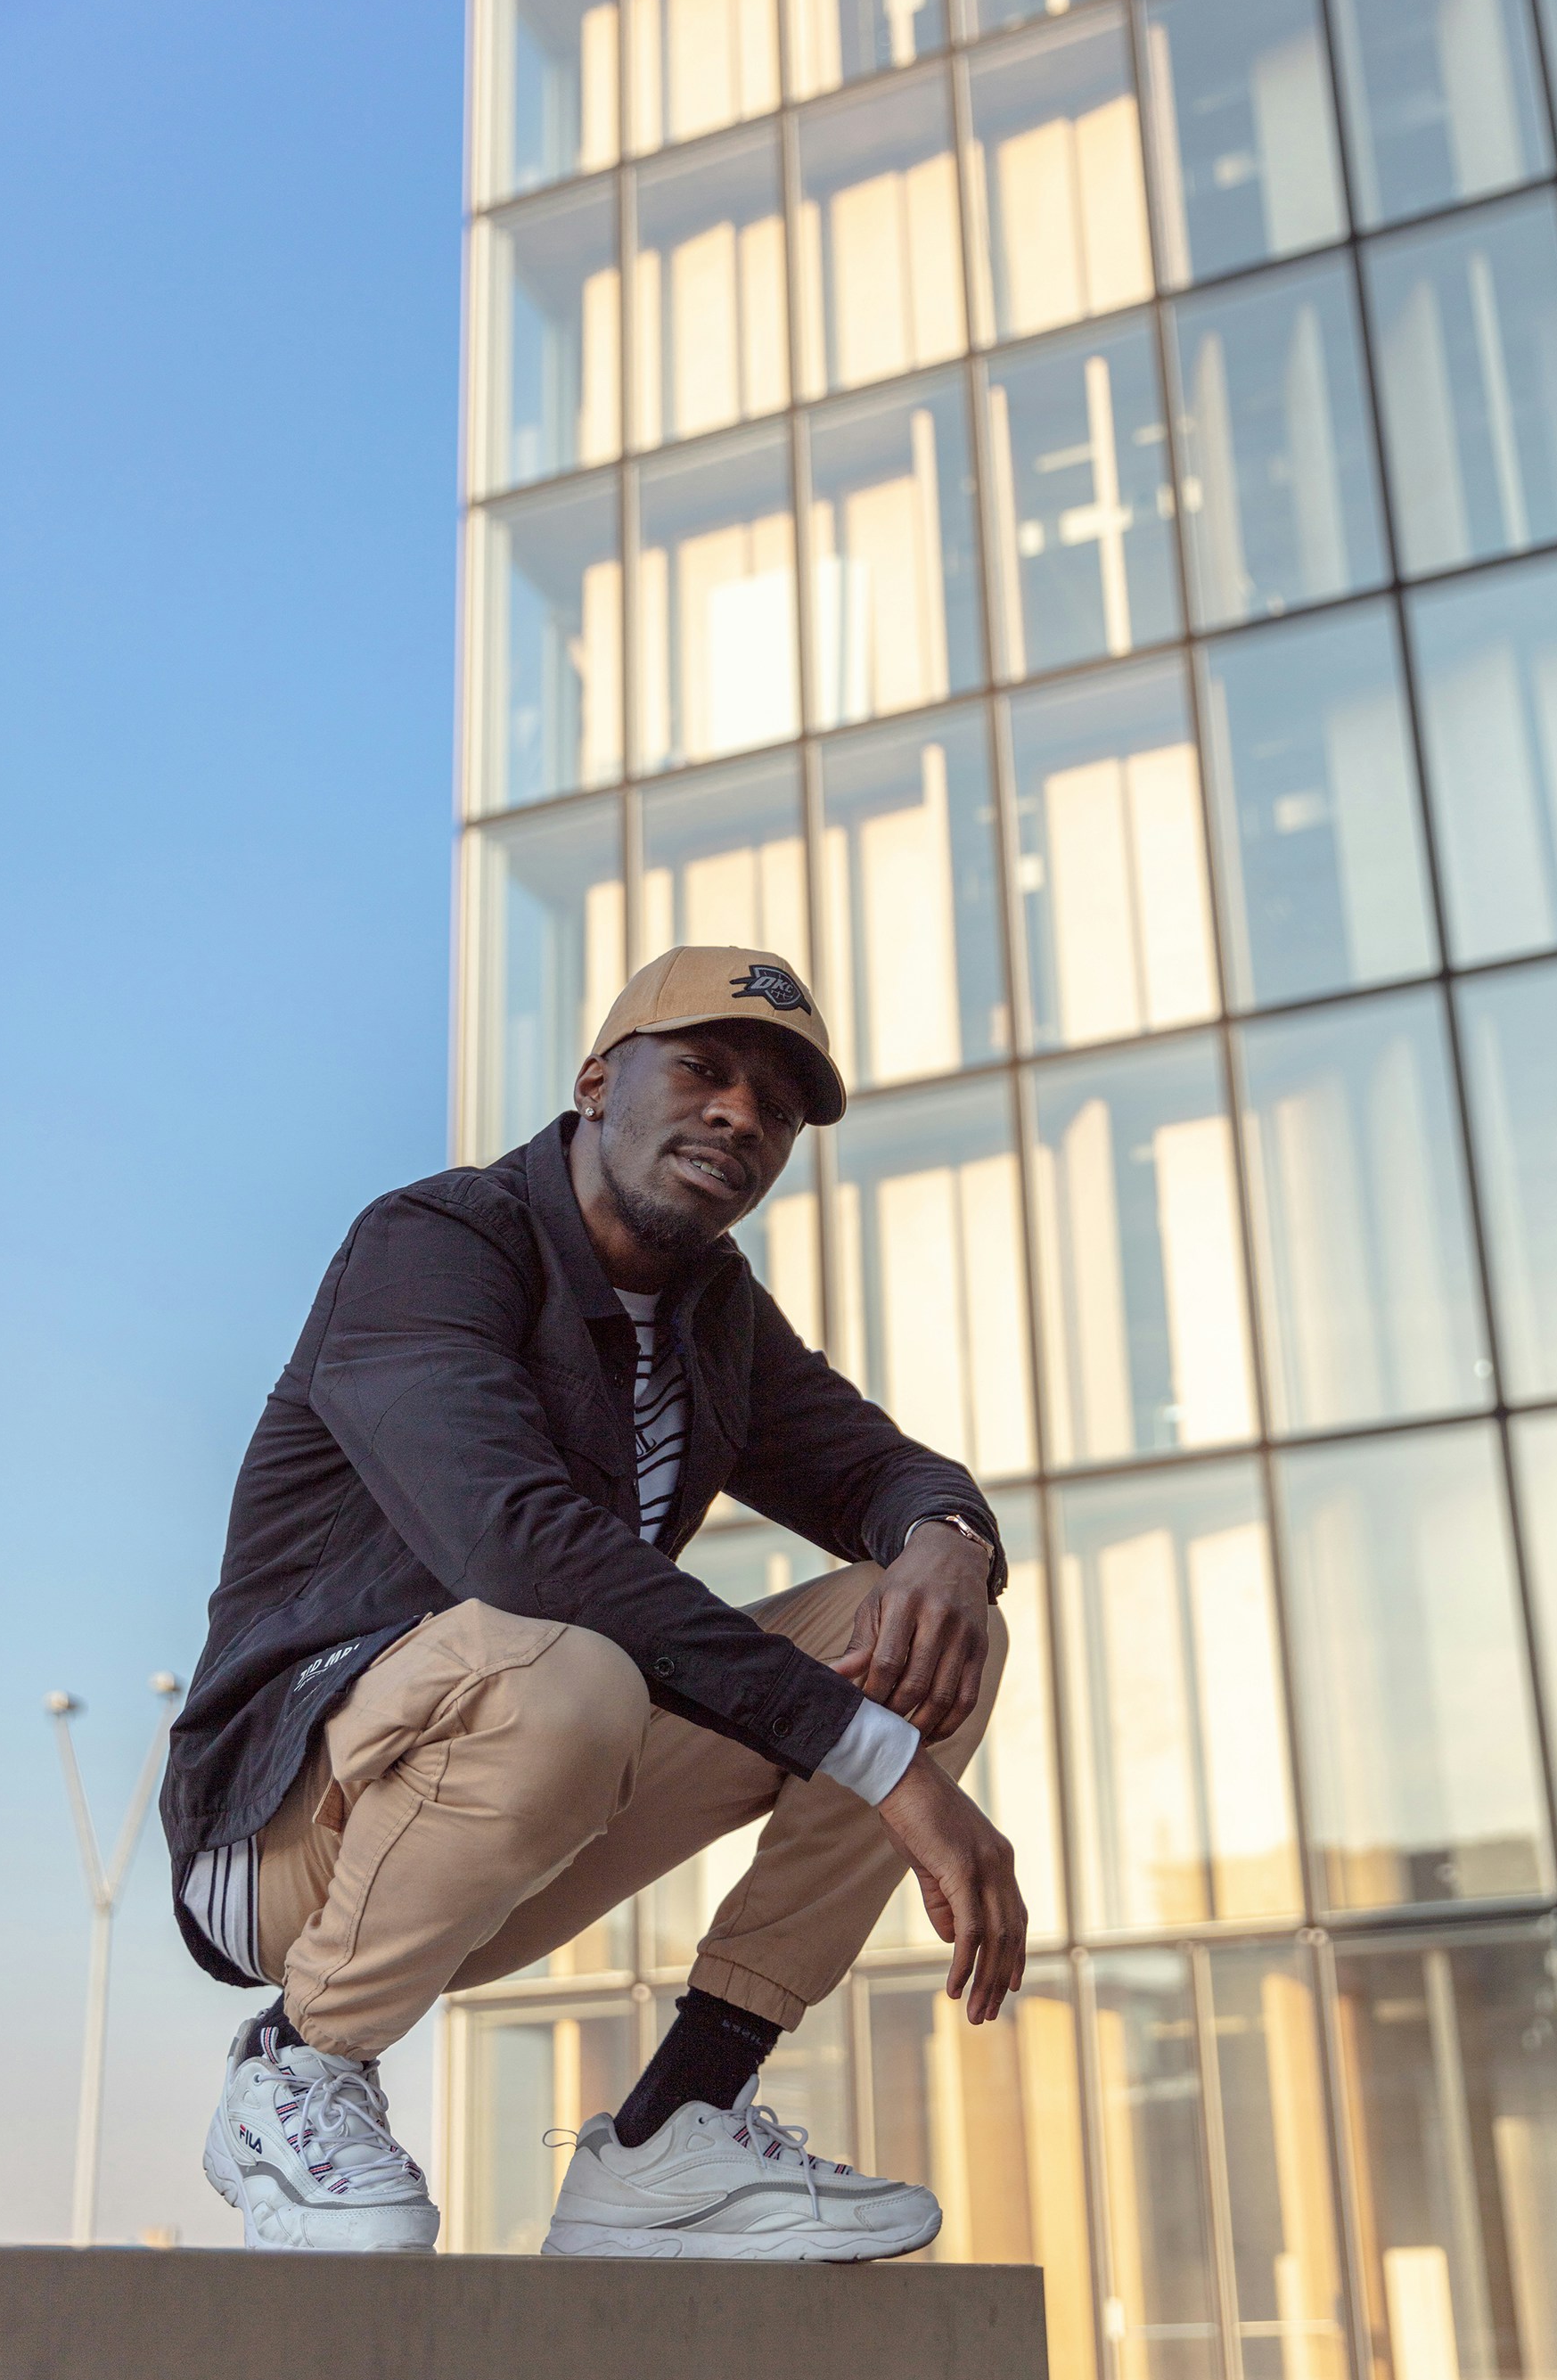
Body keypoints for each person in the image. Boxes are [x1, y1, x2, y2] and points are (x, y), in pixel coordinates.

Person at [163, 945, 1027, 2257]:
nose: (741, 1115)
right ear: (593, 1083)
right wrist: (889, 1771)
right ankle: (298, 2066)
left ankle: (675, 2129)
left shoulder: (714, 1315)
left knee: (907, 1627)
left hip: (512, 1823)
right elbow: (523, 1547)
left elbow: (882, 1471)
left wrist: (951, 1544)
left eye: (777, 1110)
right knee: (570, 1663)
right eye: (703, 1071)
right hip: (294, 1828)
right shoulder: (434, 1245)